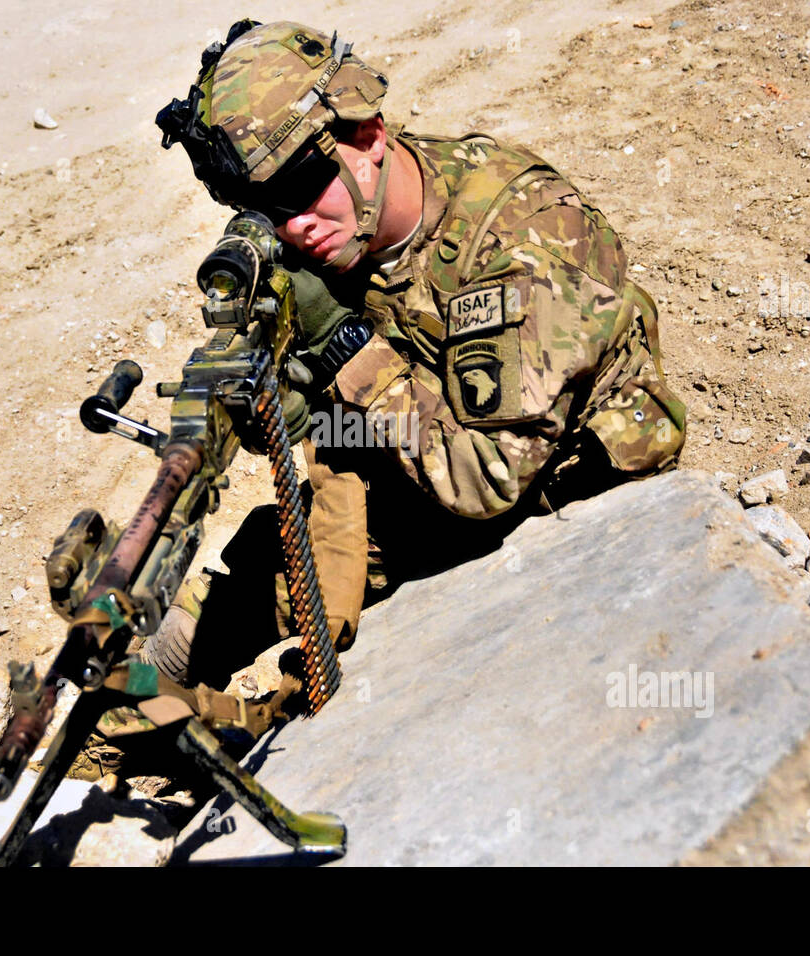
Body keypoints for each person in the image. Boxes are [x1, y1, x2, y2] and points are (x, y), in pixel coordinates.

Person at [142, 17, 687, 696]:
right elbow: (347, 413)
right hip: (424, 472)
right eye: (257, 208)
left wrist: (342, 345)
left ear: (366, 136)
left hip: (563, 495)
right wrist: (285, 409)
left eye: (298, 189)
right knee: (185, 639)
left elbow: (484, 480)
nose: (290, 227)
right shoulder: (330, 231)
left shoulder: (519, 235)